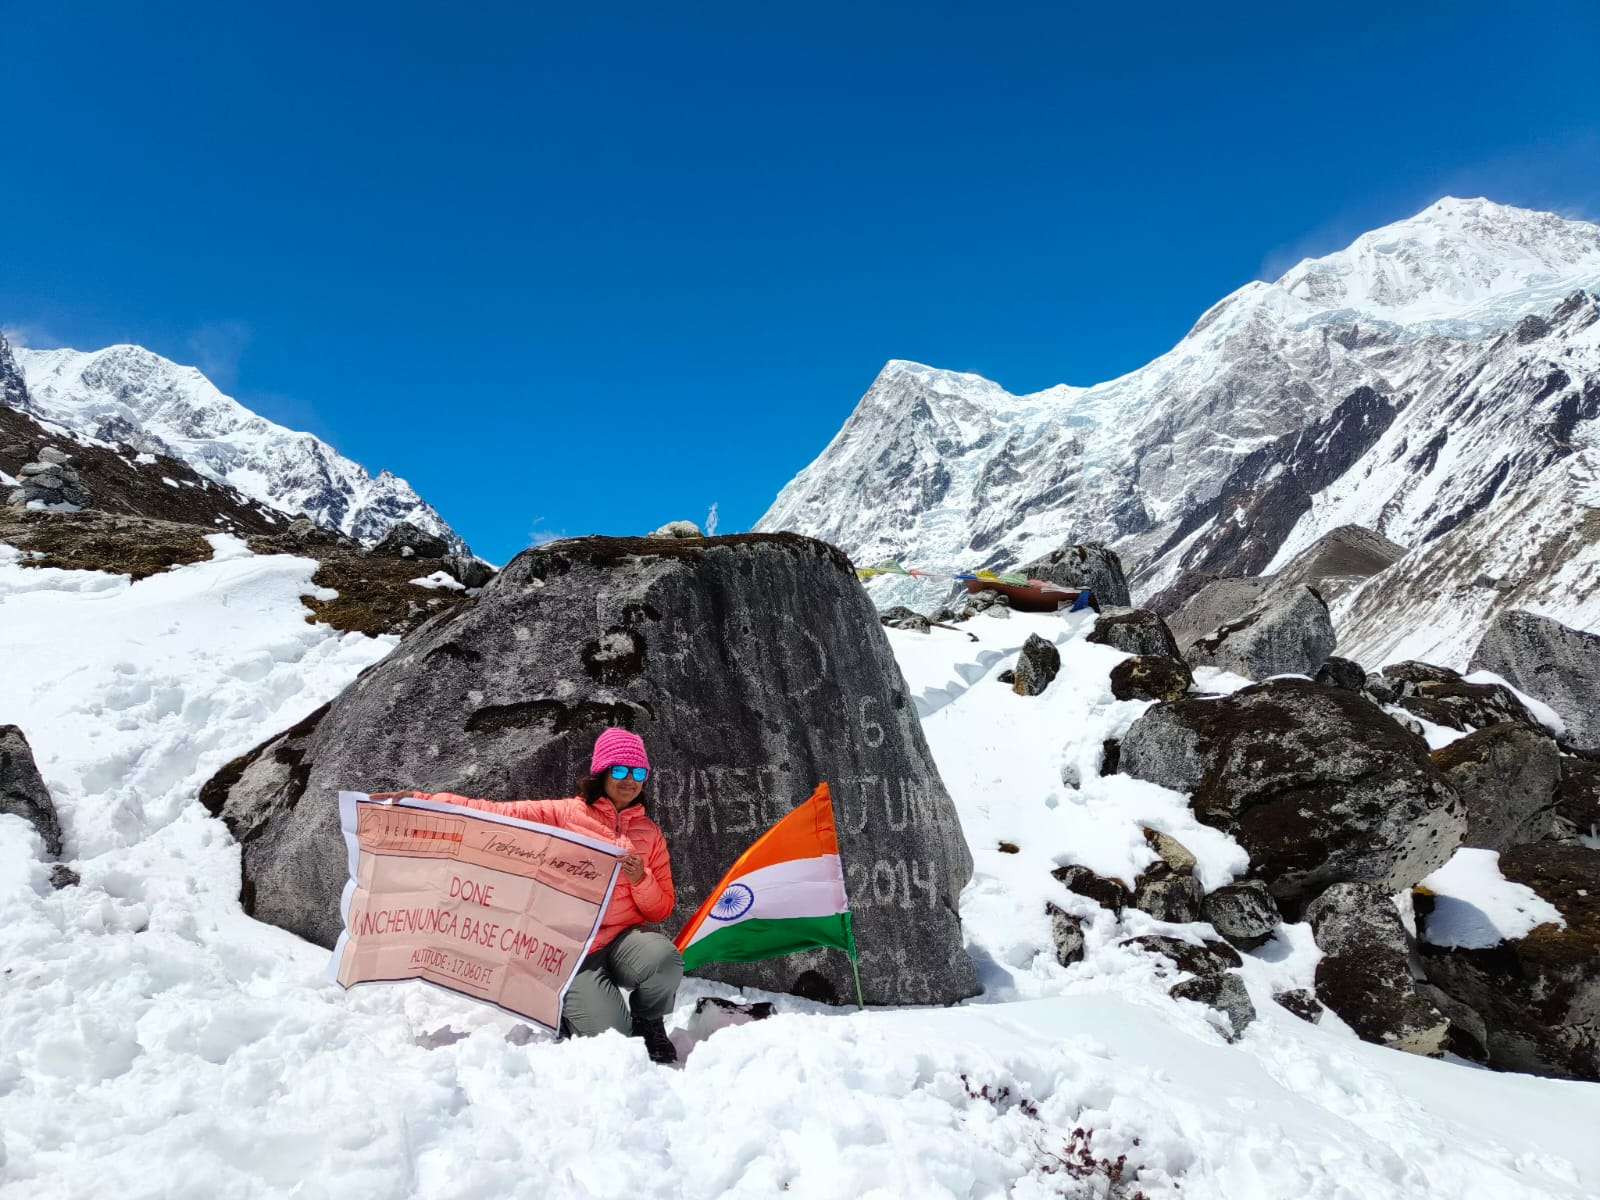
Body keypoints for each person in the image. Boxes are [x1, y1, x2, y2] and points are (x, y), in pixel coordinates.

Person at [391, 727, 683, 1064]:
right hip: (570, 951)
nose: (629, 780)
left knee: (664, 960)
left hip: (621, 941)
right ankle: (563, 1008)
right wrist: (422, 803)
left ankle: (649, 1021)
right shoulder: (563, 815)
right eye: (619, 770)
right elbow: (492, 814)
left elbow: (661, 908)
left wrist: (639, 878)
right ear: (601, 773)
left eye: (638, 773)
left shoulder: (650, 834)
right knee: (612, 1038)